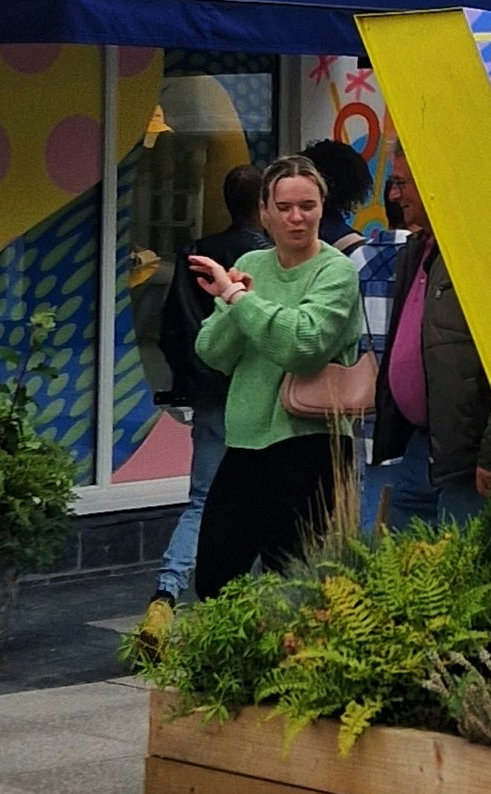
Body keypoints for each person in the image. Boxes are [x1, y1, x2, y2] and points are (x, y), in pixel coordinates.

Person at [187, 153, 365, 597]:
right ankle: (227, 667)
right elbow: (211, 350)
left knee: (293, 587)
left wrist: (238, 298)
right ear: (263, 213)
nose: (297, 218)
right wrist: (232, 304)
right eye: (284, 208)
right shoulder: (254, 262)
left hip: (311, 445)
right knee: (214, 578)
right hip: (246, 443)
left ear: (323, 208)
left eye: (307, 206)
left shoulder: (336, 272)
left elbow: (303, 347)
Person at [365, 176, 491, 534]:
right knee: (405, 568)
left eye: (402, 182)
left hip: (467, 456)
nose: (394, 194)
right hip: (421, 443)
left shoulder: (478, 253)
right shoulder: (418, 249)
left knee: (455, 575)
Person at [155, 162, 263, 603]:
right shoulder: (266, 260)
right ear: (263, 206)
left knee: (202, 499)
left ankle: (167, 588)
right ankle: (237, 599)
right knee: (259, 502)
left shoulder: (197, 253)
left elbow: (172, 327)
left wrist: (189, 381)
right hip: (254, 395)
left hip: (209, 395)